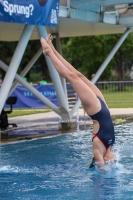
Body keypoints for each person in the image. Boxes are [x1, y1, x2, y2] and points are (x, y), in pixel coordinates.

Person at [40, 34, 116, 170]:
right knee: (78, 74)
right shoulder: (110, 147)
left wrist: (103, 169)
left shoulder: (99, 151)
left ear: (105, 161)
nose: (116, 160)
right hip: (102, 103)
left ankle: (48, 52)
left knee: (72, 77)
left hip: (96, 110)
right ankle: (52, 48)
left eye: (113, 162)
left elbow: (102, 170)